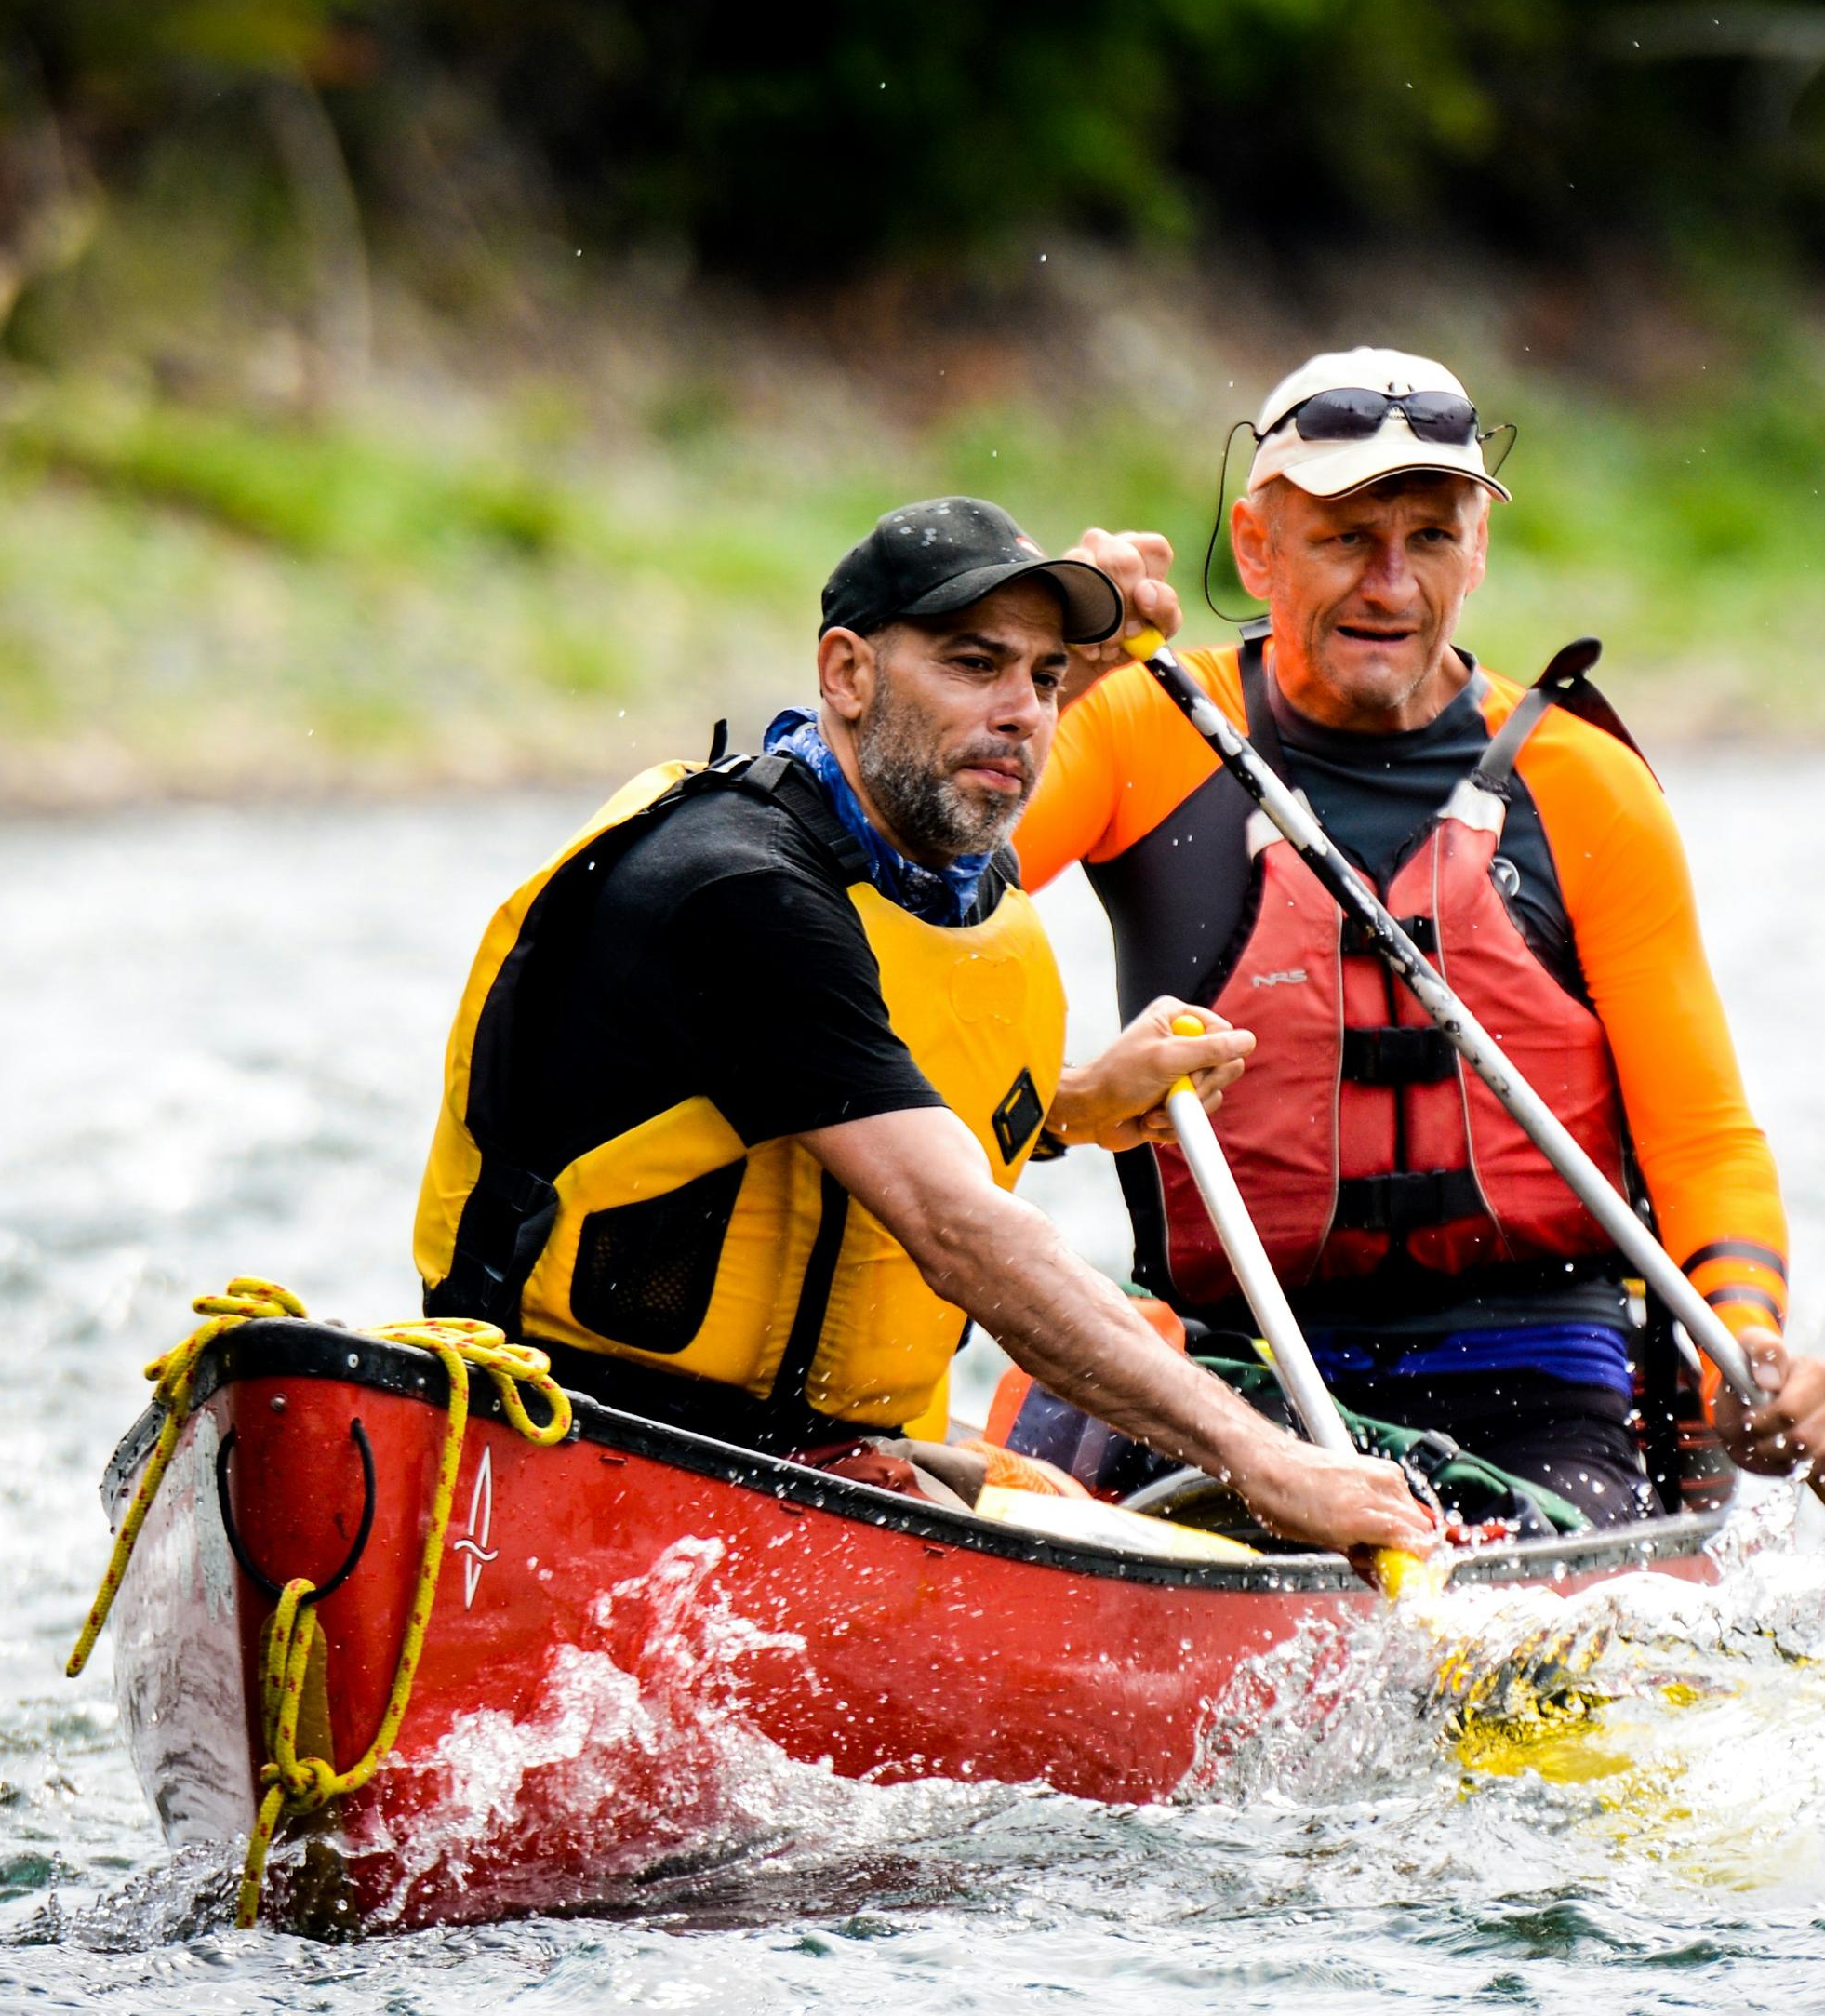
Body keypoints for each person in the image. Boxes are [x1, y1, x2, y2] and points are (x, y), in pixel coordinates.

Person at [410, 495, 1436, 1562]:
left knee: (1167, 1534)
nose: (1025, 713)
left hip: (811, 1459)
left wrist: (1073, 1105)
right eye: (973, 663)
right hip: (582, 1450)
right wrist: (1269, 1463)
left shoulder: (934, 868)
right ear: (846, 675)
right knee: (1228, 1502)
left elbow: (830, 1093)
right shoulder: (736, 889)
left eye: (1045, 680)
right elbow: (957, 1226)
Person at [1018, 348, 1825, 1527]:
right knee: (1037, 1469)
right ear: (1256, 547)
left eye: (1430, 537)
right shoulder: (1135, 727)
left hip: (1535, 1372)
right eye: (1346, 538)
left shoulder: (1586, 787)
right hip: (1232, 1364)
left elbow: (1706, 1140)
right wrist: (1041, 669)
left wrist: (1753, 1353)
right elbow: (914, 897)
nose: (1391, 582)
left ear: (1477, 553)